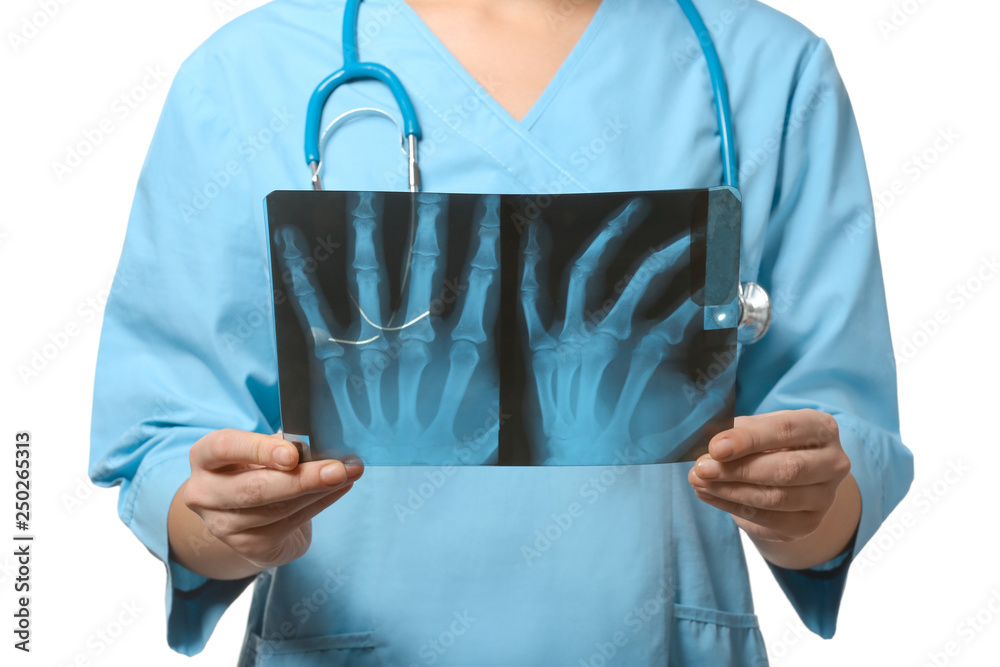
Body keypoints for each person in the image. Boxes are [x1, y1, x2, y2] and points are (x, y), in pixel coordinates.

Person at [88, 0, 914, 664]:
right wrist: (221, 521)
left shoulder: (768, 73)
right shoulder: (244, 76)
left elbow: (838, 448)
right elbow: (168, 449)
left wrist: (800, 503)